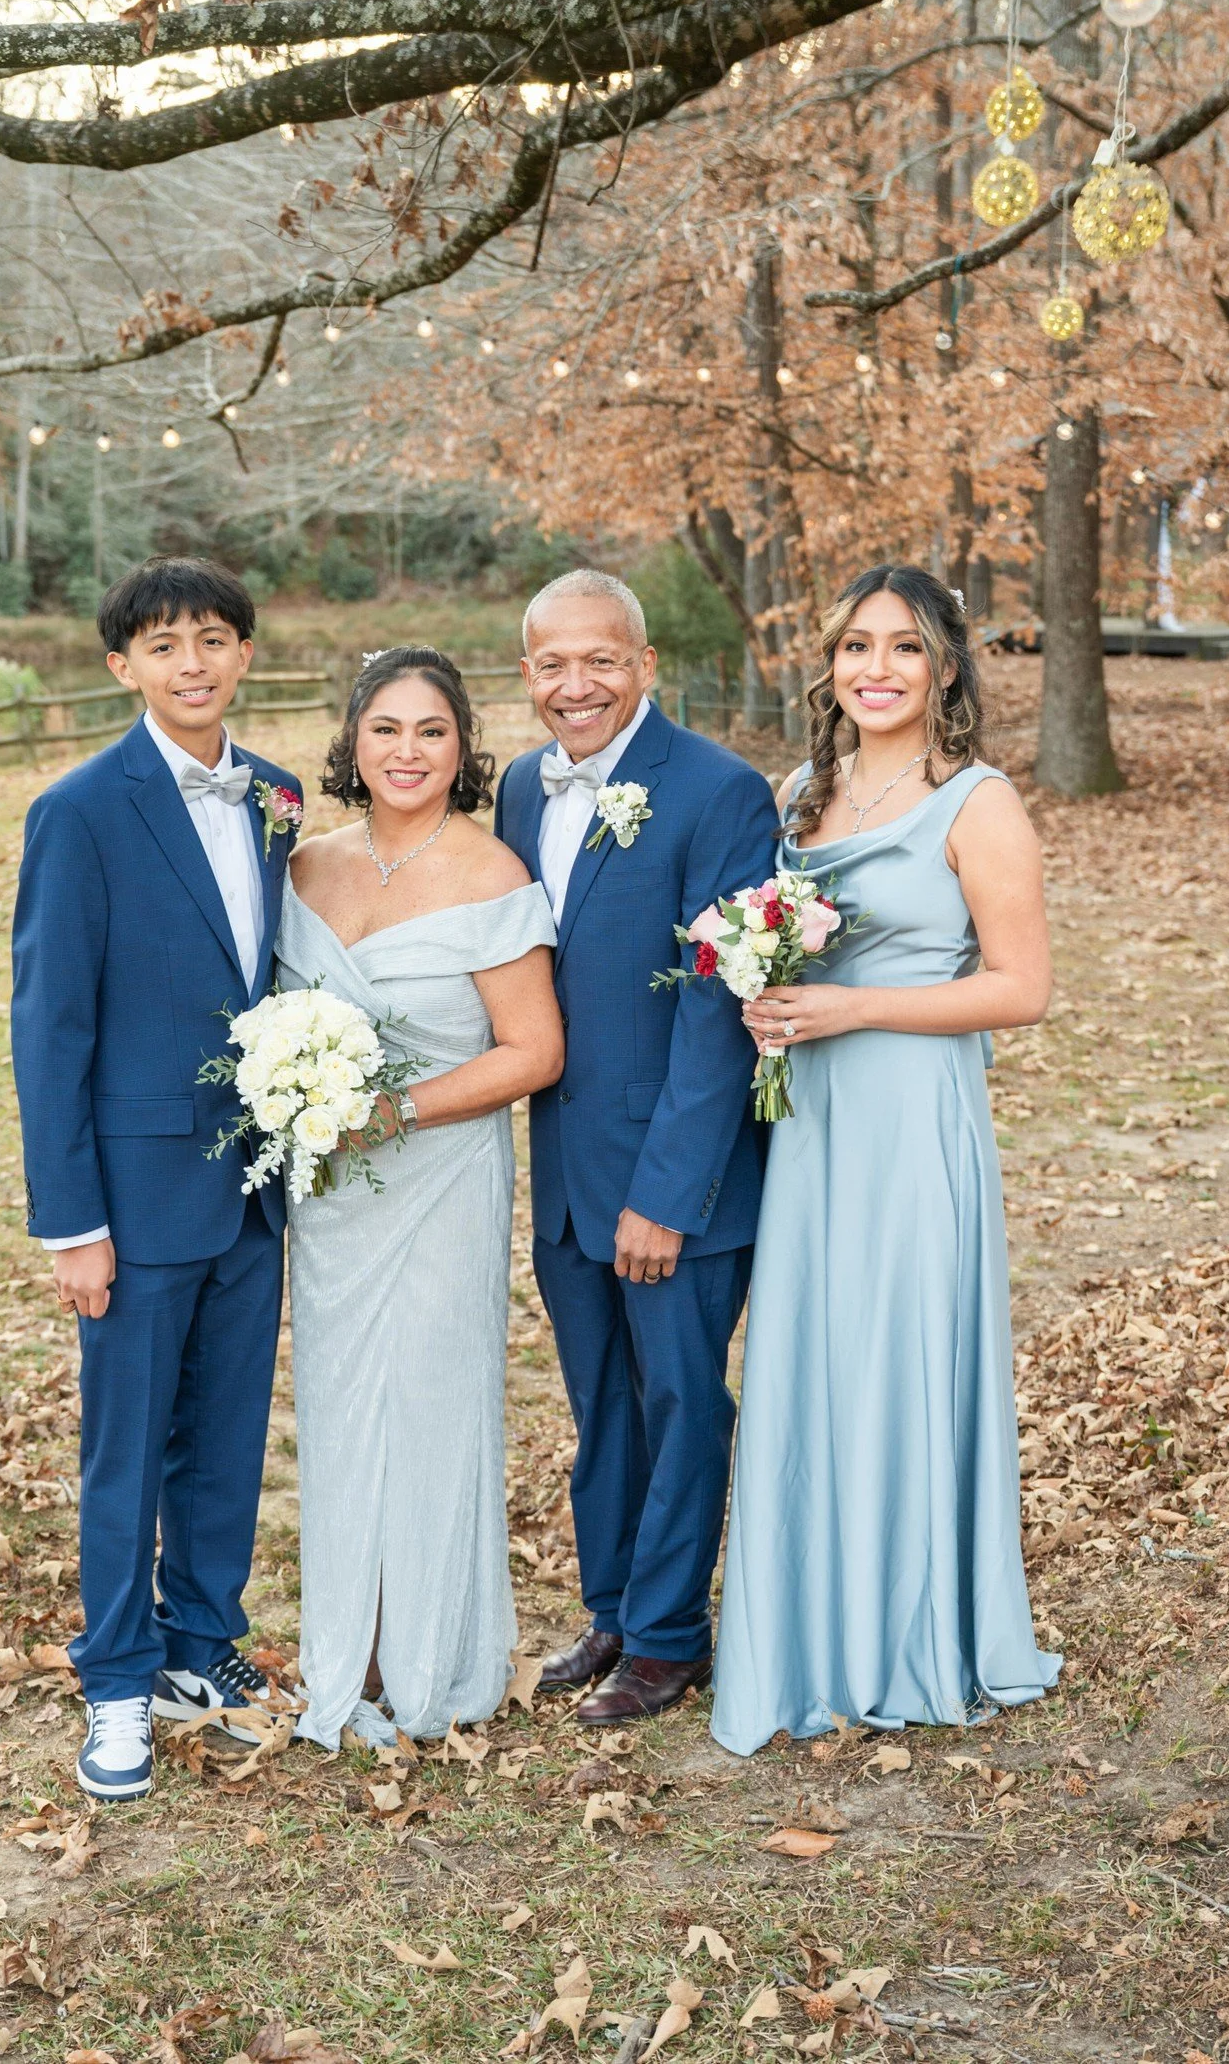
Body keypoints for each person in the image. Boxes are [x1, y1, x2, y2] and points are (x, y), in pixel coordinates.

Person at [711, 563, 1062, 1754]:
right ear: (831, 662)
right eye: (858, 644)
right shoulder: (800, 795)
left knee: (902, 1349)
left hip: (912, 1113)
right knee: (815, 1352)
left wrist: (855, 1011)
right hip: (810, 1120)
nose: (877, 668)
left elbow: (1023, 988)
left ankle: (910, 1631)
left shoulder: (977, 801)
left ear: (946, 667)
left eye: (905, 648)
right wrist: (769, 996)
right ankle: (811, 1629)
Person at [11, 556, 302, 1802]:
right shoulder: (80, 810)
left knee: (230, 1437)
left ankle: (201, 1644)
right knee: (128, 1449)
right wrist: (73, 1220)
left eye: (216, 638)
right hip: (131, 1195)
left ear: (243, 654)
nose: (195, 662)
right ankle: (118, 1680)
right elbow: (49, 1024)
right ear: (123, 664)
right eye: (167, 643)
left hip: (255, 1183)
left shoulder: (278, 796)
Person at [495, 570, 780, 1724]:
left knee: (681, 1402)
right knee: (600, 1404)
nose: (579, 684)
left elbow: (719, 1016)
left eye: (601, 659)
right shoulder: (520, 788)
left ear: (646, 663)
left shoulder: (720, 792)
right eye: (554, 664)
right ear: (526, 675)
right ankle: (611, 1606)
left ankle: (670, 1635)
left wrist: (667, 1196)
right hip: (565, 1170)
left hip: (679, 1176)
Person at [277, 646, 564, 1749]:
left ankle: (430, 1657)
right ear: (353, 741)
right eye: (386, 728)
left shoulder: (490, 873)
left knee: (433, 1404)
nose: (407, 750)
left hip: (440, 1179)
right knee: (343, 1410)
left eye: (431, 730)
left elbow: (534, 1051)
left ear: (463, 748)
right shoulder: (304, 866)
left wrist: (393, 1113)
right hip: (330, 1198)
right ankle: (350, 1645)